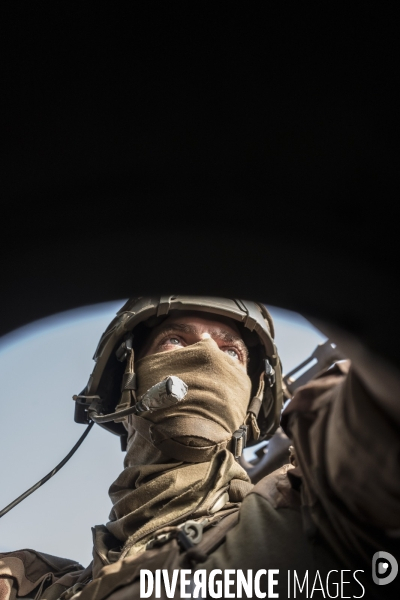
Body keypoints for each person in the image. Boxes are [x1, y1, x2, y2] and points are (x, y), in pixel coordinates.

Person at [0, 296, 399, 600]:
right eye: (176, 340)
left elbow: (375, 428)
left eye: (231, 352)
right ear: (124, 388)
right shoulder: (37, 585)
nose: (208, 356)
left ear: (250, 406)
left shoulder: (302, 514)